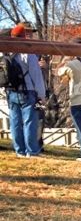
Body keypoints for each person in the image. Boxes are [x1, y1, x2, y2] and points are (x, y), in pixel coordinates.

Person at [2, 22, 46, 156]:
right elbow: (36, 75)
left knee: (15, 122)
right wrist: (41, 94)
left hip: (11, 91)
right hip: (27, 91)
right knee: (29, 122)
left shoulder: (5, 52)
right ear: (23, 37)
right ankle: (31, 151)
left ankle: (19, 150)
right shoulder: (27, 52)